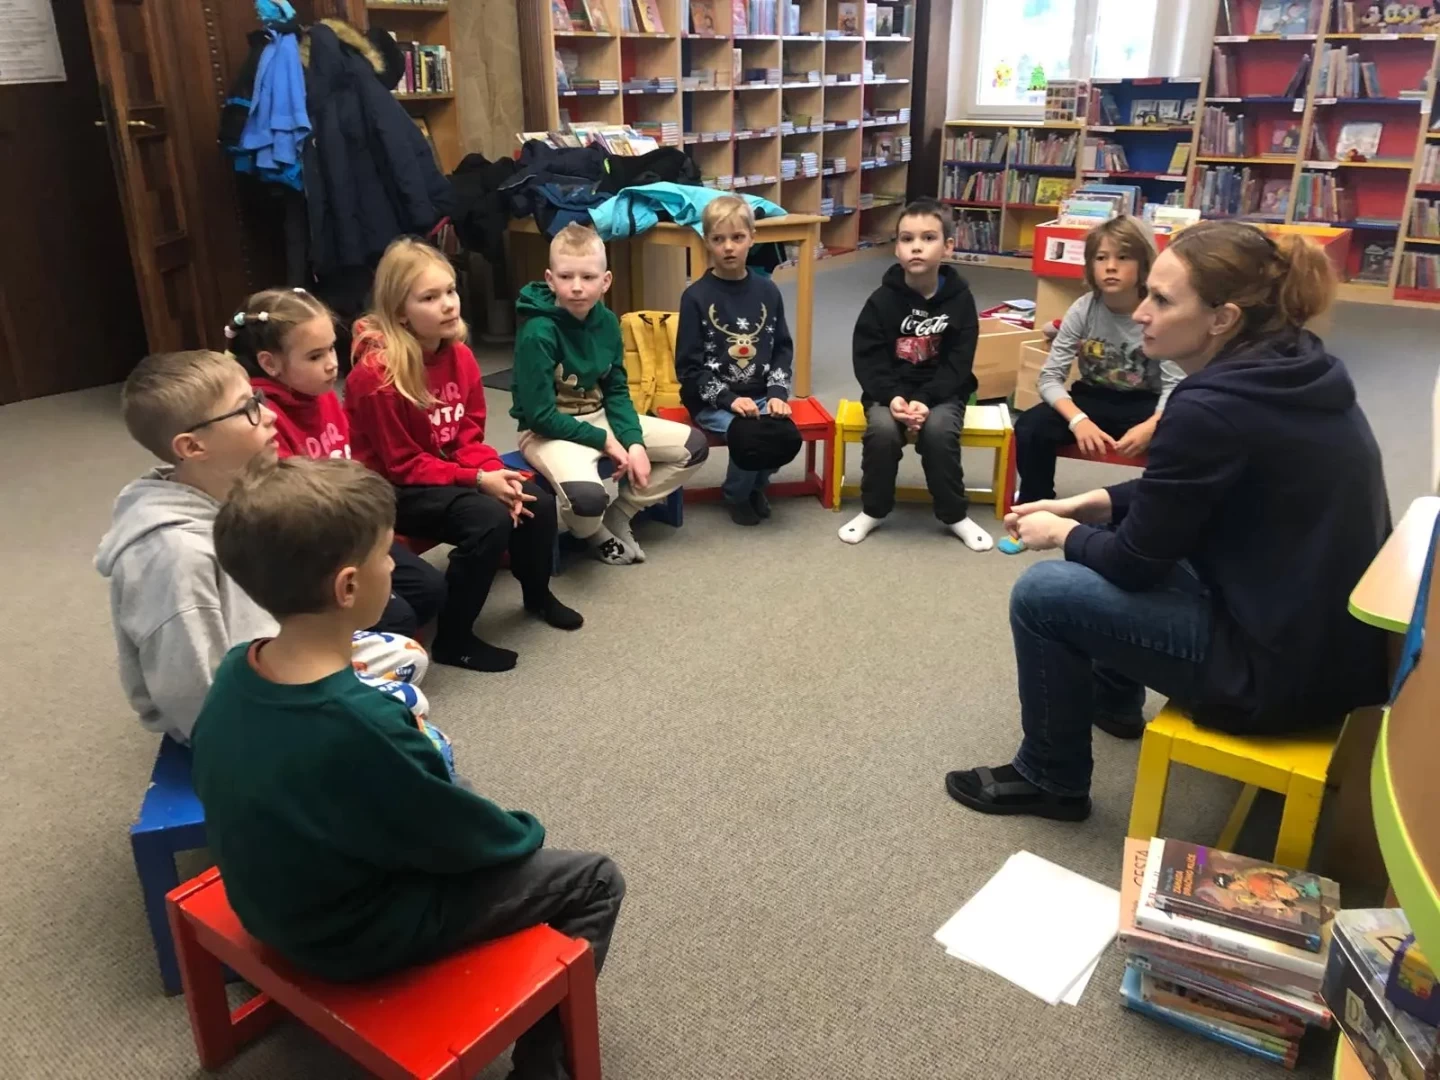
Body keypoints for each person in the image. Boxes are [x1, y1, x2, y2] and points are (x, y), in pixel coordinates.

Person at [194, 456, 624, 1080]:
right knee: (595, 880)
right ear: (347, 588)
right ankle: (541, 1067)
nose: (396, 565)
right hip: (351, 937)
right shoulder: (362, 724)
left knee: (438, 780)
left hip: (266, 902)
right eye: (386, 554)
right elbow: (470, 843)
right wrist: (523, 831)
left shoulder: (239, 667)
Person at [945, 221, 1390, 822]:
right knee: (1112, 533)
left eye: (1161, 299)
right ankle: (1113, 702)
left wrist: (1062, 533)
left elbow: (1134, 564)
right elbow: (1183, 493)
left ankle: (1050, 777)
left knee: (1044, 593)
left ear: (1222, 319)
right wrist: (1087, 503)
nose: (1141, 312)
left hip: (1273, 675)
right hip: (1325, 647)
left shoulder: (1209, 406)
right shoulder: (1294, 364)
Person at [95, 350, 430, 745]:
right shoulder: (173, 556)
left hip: (272, 650)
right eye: (247, 409)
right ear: (192, 446)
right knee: (409, 707)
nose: (269, 415)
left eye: (258, 399)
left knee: (409, 654)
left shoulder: (237, 495)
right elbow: (191, 689)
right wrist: (249, 746)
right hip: (237, 706)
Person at [347, 237, 582, 674]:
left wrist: (494, 472)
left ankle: (537, 596)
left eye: (450, 291)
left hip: (443, 473)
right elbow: (402, 464)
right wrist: (477, 480)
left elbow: (468, 436)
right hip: (390, 491)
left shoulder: (459, 356)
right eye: (429, 297)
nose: (448, 304)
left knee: (535, 498)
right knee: (487, 519)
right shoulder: (377, 377)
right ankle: (454, 638)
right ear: (400, 312)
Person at [226, 286, 447, 640]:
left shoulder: (324, 395)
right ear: (270, 363)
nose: (332, 363)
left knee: (429, 589)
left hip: (349, 532)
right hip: (312, 551)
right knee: (397, 618)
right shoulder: (265, 419)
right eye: (315, 356)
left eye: (331, 348)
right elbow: (290, 513)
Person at [511, 223, 708, 563]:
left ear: (606, 281)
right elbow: (540, 416)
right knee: (587, 500)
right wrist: (607, 443)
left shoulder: (607, 322)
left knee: (693, 447)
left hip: (599, 416)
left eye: (588, 277)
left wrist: (633, 441)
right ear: (550, 279)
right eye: (566, 276)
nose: (576, 287)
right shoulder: (538, 333)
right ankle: (593, 533)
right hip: (547, 431)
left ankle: (621, 513)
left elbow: (616, 390)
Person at [840, 197, 992, 551]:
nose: (917, 247)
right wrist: (892, 396)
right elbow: (868, 359)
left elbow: (959, 363)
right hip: (889, 391)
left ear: (948, 246)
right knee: (881, 433)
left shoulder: (961, 300)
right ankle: (874, 509)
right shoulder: (881, 301)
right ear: (897, 248)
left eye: (928, 238)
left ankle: (954, 514)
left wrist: (926, 399)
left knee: (939, 433)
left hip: (942, 392)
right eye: (907, 239)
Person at [1013, 215, 1183, 504]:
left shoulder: (1159, 314)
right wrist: (1079, 420)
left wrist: (1152, 425)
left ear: (1144, 264)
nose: (1111, 267)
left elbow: (1175, 386)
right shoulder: (1084, 309)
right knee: (1031, 427)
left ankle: (1154, 510)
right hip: (1092, 398)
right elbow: (1049, 378)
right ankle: (1035, 504)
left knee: (1184, 439)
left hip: (1147, 404)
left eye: (1123, 257)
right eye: (1101, 258)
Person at [675, 194, 801, 527]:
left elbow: (782, 348)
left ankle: (758, 484)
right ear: (706, 242)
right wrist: (729, 399)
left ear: (752, 238)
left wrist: (777, 393)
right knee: (749, 435)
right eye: (718, 239)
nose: (728, 247)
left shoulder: (768, 292)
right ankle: (737, 495)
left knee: (785, 435)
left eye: (737, 237)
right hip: (711, 400)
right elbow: (688, 369)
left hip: (761, 393)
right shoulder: (695, 297)